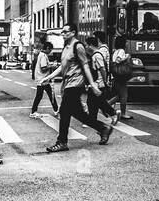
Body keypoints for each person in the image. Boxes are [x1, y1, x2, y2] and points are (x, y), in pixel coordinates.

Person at [39, 23, 111, 152]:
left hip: (76, 84)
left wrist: (92, 84)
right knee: (78, 113)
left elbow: (85, 66)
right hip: (67, 84)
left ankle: (62, 142)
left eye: (66, 32)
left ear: (73, 32)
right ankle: (103, 128)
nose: (63, 34)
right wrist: (49, 77)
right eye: (62, 32)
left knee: (65, 112)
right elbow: (63, 66)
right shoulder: (66, 47)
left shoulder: (78, 46)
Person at [85, 32, 118, 126]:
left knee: (98, 102)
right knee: (93, 102)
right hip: (96, 83)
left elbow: (102, 69)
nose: (86, 47)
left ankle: (113, 113)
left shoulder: (97, 55)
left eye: (87, 45)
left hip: (99, 83)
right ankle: (92, 120)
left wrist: (104, 81)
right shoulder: (95, 55)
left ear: (91, 45)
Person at [108, 35, 137, 119]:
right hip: (121, 75)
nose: (127, 43)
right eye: (126, 42)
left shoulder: (116, 51)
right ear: (123, 43)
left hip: (116, 75)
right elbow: (118, 60)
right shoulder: (121, 51)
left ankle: (106, 106)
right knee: (124, 95)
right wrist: (126, 57)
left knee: (118, 95)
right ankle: (123, 113)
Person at [29, 40, 59, 117]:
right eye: (50, 49)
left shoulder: (41, 55)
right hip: (42, 79)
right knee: (44, 95)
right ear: (48, 48)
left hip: (42, 79)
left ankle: (56, 110)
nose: (50, 51)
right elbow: (43, 68)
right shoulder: (43, 56)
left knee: (48, 95)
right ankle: (33, 111)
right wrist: (52, 66)